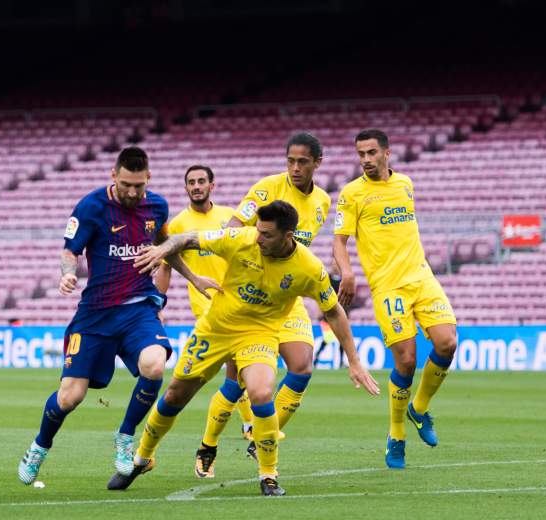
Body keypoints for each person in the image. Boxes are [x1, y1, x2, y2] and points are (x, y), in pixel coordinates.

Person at [108, 200, 380, 496]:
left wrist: (354, 361)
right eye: (258, 231)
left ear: (288, 236)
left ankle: (268, 474)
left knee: (261, 392)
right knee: (175, 394)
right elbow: (188, 239)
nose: (258, 238)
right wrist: (163, 249)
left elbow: (334, 311)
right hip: (216, 328)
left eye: (266, 234)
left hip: (259, 334)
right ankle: (142, 458)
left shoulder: (308, 269)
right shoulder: (241, 239)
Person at [17, 147, 220, 485]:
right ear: (114, 176)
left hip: (138, 308)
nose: (132, 192)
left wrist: (195, 278)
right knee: (70, 396)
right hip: (95, 313)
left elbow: (165, 245)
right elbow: (70, 251)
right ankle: (40, 445)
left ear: (148, 179)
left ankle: (126, 436)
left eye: (138, 186)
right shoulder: (91, 207)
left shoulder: (157, 206)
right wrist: (68, 273)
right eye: (126, 184)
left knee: (155, 364)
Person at [195, 132, 332, 475]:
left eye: (302, 162)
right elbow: (233, 228)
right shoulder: (267, 188)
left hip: (285, 298)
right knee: (235, 381)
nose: (295, 168)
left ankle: (260, 439)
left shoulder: (323, 202)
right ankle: (207, 446)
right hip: (247, 299)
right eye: (290, 160)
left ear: (318, 162)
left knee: (302, 365)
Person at [333, 129, 457, 469]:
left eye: (372, 152)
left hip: (422, 277)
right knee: (405, 361)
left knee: (447, 343)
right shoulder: (352, 194)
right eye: (361, 154)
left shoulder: (405, 184)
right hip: (388, 287)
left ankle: (419, 408)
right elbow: (339, 242)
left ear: (386, 153)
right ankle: (397, 434)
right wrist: (347, 272)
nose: (366, 160)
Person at [153, 165, 256, 456]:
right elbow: (165, 266)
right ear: (185, 188)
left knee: (239, 367)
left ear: (212, 184)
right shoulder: (177, 225)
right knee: (236, 366)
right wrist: (157, 304)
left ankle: (245, 425)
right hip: (207, 309)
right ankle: (248, 425)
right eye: (191, 182)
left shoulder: (230, 218)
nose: (196, 186)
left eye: (201, 181)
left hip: (238, 303)